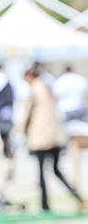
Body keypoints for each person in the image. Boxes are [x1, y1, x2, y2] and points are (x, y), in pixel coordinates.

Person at [22, 66, 84, 211]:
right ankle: (76, 195)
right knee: (56, 169)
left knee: (41, 172)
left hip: (41, 137)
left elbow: (26, 114)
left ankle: (44, 205)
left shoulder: (35, 90)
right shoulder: (48, 87)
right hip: (56, 136)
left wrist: (20, 130)